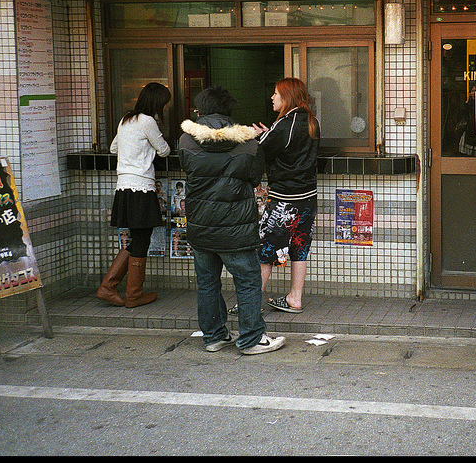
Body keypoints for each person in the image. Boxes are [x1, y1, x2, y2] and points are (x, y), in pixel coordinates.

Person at [178, 86, 286, 354]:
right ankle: (251, 339)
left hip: (201, 226)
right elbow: (254, 179)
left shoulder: (185, 141)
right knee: (247, 281)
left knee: (207, 282)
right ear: (229, 111)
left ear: (200, 111)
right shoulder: (249, 144)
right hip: (236, 227)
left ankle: (214, 336)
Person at [97, 82, 171, 308]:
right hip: (141, 187)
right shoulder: (148, 121)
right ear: (157, 103)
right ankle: (133, 295)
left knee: (138, 237)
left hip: (124, 186)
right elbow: (164, 150)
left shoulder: (125, 119)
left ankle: (109, 287)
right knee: (142, 238)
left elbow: (113, 149)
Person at [253, 77, 320, 314]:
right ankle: (295, 298)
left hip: (284, 200)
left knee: (265, 250)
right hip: (308, 198)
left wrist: (261, 135)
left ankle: (250, 305)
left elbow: (263, 150)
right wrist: (268, 133)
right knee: (299, 248)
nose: (272, 97)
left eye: (276, 93)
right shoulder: (311, 120)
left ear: (287, 97)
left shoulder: (284, 124)